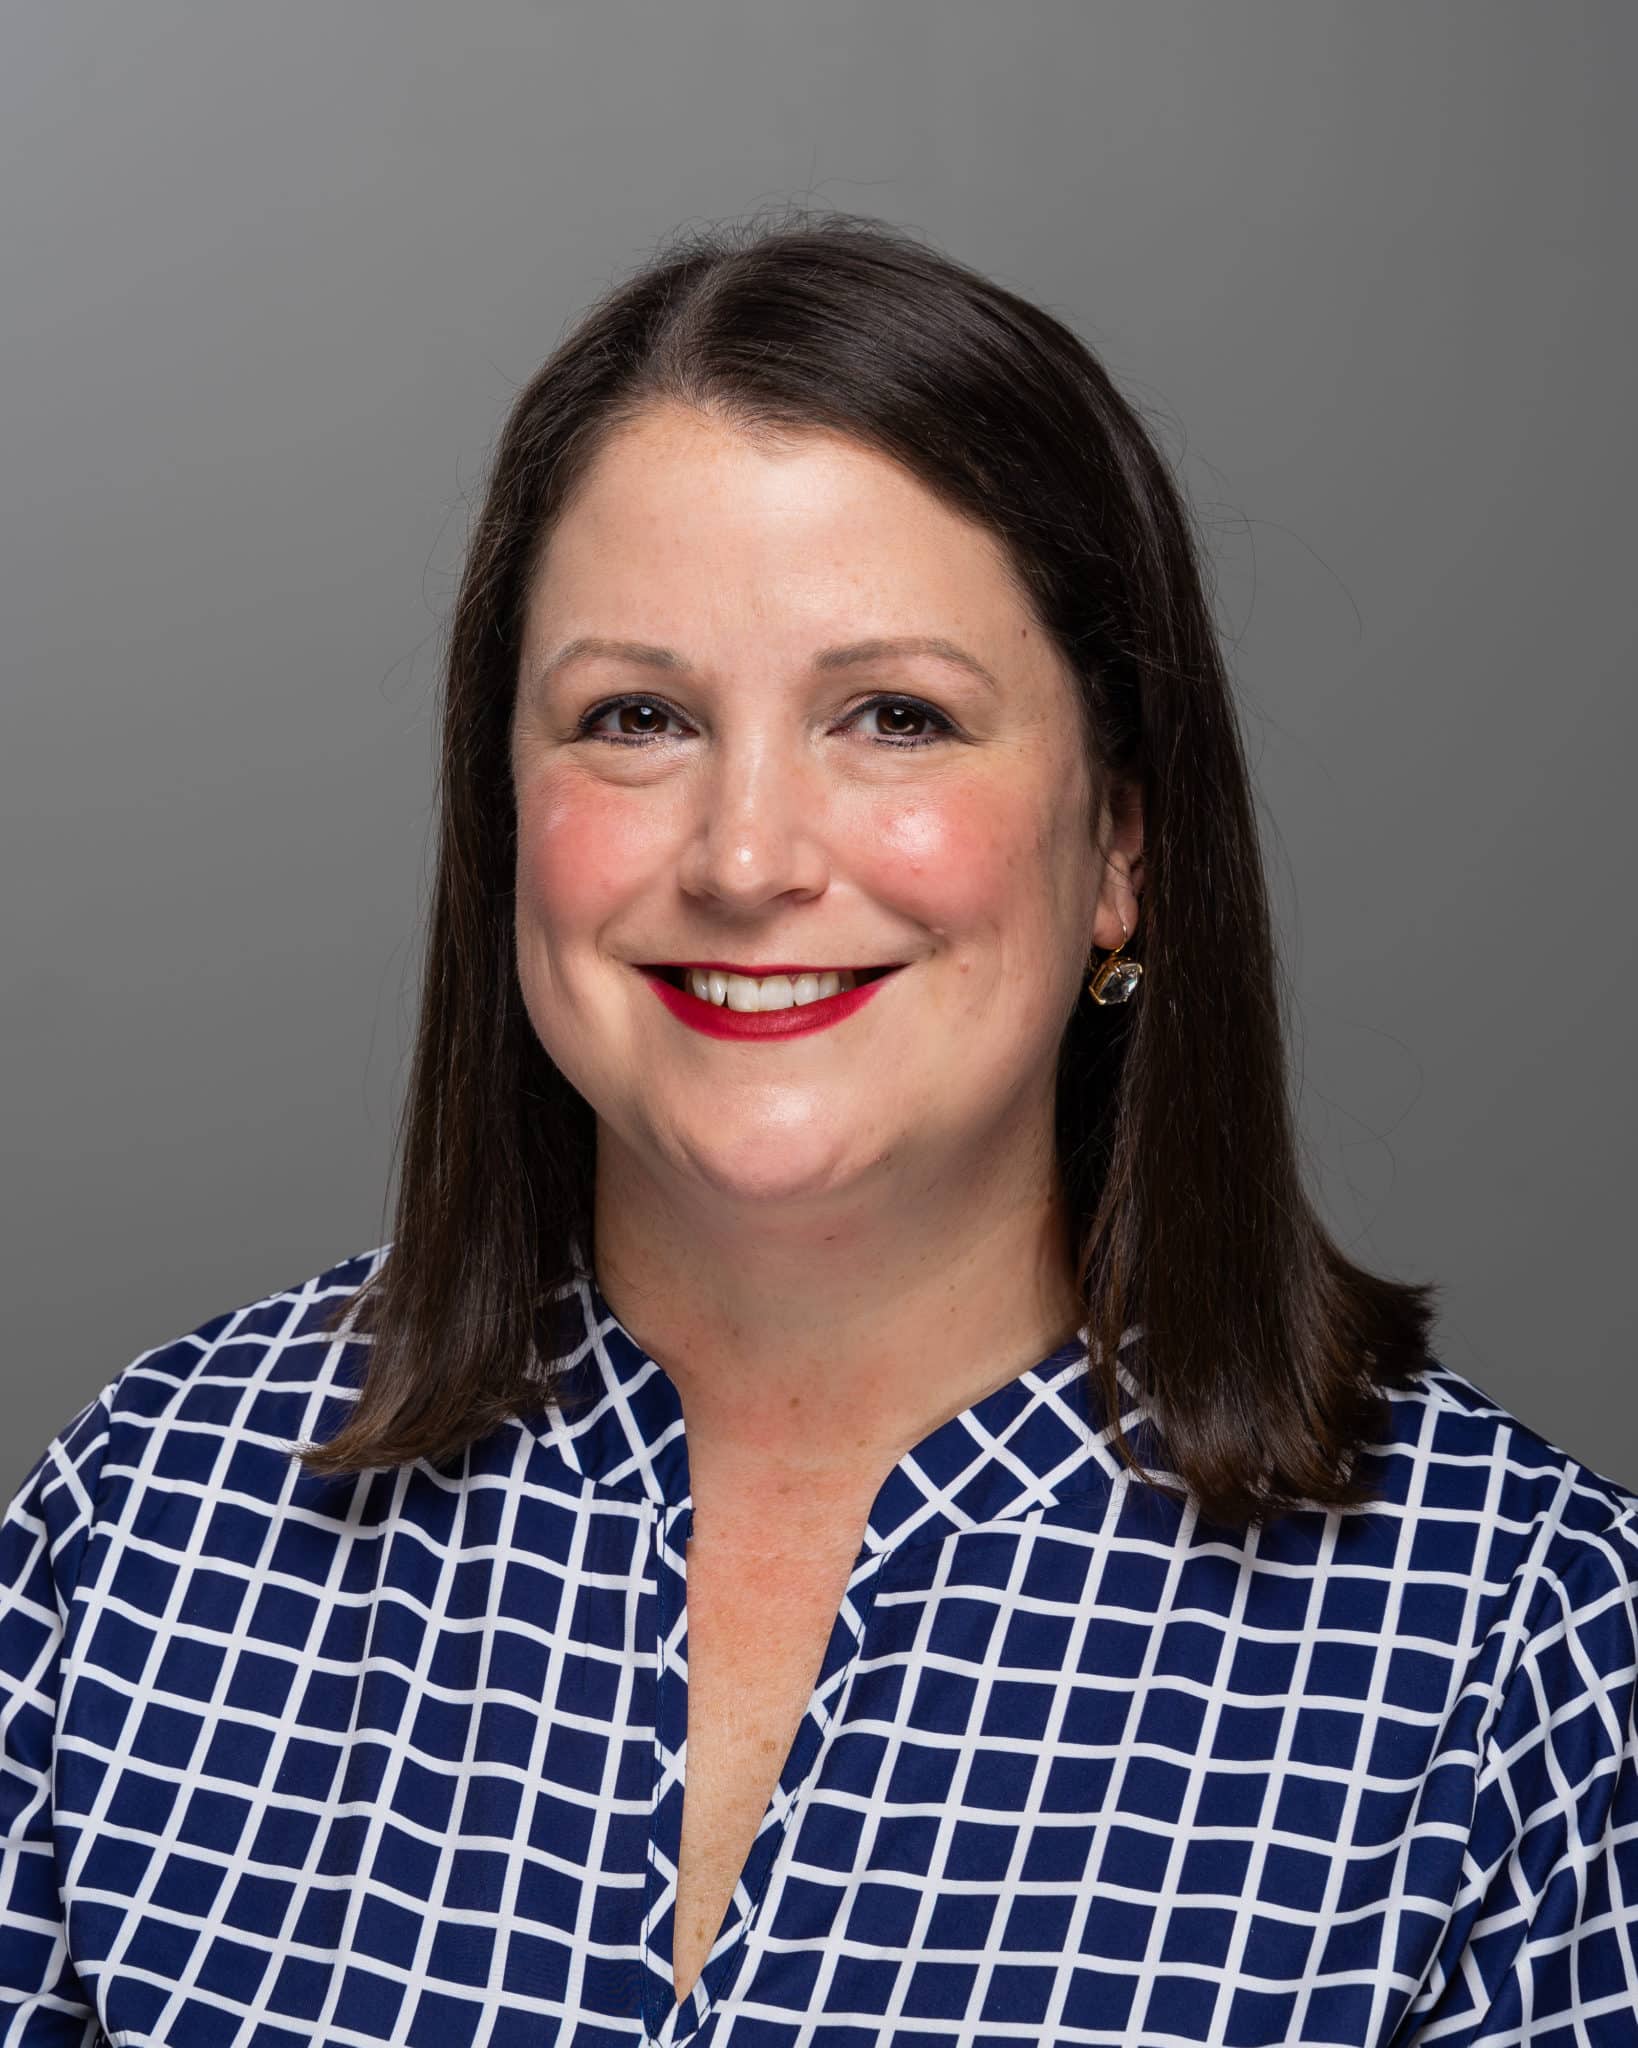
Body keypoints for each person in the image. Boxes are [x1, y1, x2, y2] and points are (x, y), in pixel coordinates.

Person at [3, 208, 1635, 2047]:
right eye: (635, 717)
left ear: (1121, 843)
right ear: (504, 817)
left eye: (893, 716)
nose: (749, 857)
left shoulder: (1519, 1650)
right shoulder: (142, 1528)